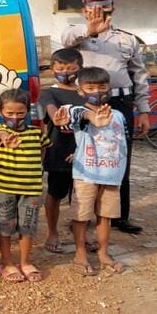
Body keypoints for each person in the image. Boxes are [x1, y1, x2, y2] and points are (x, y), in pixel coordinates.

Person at [61, 0, 150, 235]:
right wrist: (89, 30)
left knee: (119, 157)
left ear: (113, 9)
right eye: (93, 9)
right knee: (82, 157)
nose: (99, 14)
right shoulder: (77, 36)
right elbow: (65, 42)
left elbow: (139, 76)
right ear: (84, 10)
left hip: (121, 103)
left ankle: (119, 216)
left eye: (104, 10)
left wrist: (143, 110)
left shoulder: (127, 39)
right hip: (87, 103)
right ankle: (81, 216)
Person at [52, 67, 127, 276]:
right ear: (80, 91)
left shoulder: (119, 116)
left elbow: (123, 143)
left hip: (112, 176)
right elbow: (74, 115)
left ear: (109, 88)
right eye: (90, 87)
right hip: (86, 175)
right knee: (82, 215)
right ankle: (80, 252)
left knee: (105, 216)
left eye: (102, 87)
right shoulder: (78, 112)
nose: (97, 91)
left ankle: (103, 253)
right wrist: (93, 118)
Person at [0, 89, 50, 283]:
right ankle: (7, 263)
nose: (15, 117)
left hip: (31, 189)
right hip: (5, 188)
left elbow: (43, 152)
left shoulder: (36, 133)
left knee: (27, 226)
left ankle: (25, 262)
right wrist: (5, 137)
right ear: (0, 112)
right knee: (6, 225)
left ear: (27, 112)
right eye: (9, 113)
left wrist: (35, 170)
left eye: (20, 113)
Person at [39, 48, 85, 254]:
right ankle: (52, 231)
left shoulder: (87, 93)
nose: (65, 72)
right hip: (58, 149)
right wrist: (57, 116)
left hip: (85, 151)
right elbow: (50, 109)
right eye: (60, 68)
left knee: (83, 195)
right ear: (52, 69)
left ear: (80, 68)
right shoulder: (48, 92)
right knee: (55, 193)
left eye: (71, 68)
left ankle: (82, 234)